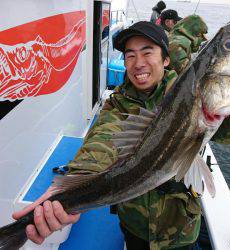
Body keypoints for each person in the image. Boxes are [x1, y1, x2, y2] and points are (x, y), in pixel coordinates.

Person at [13, 22, 203, 249]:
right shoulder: (116, 105)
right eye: (130, 56)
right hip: (135, 225)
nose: (138, 63)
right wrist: (67, 188)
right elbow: (102, 143)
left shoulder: (193, 96)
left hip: (180, 228)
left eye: (147, 52)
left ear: (166, 59)